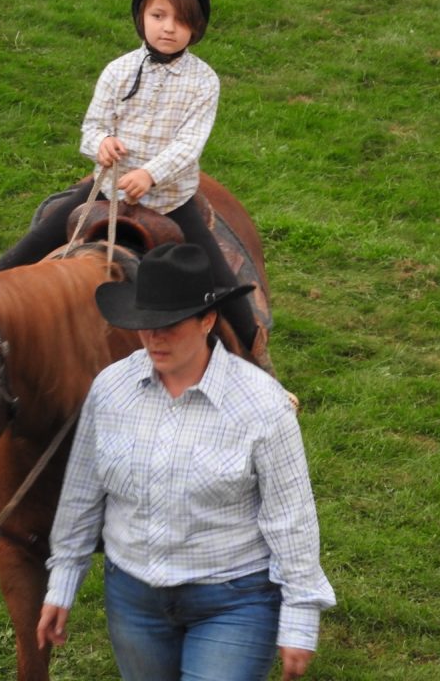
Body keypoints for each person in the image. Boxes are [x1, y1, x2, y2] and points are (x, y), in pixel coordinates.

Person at [36, 243, 335, 681]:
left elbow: (291, 517)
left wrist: (300, 615)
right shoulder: (111, 389)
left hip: (235, 599)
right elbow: (83, 492)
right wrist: (62, 583)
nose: (154, 338)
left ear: (207, 321)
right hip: (133, 598)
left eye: (170, 325)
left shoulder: (262, 405)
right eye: (145, 324)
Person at [0, 0, 260, 358]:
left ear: (196, 28)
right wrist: (100, 144)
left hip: (170, 198)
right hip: (107, 188)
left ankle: (258, 358)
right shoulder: (118, 71)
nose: (168, 27)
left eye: (181, 20)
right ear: (141, 17)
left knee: (220, 278)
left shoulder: (204, 81)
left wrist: (150, 175)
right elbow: (93, 125)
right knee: (35, 241)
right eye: (158, 15)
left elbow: (190, 144)